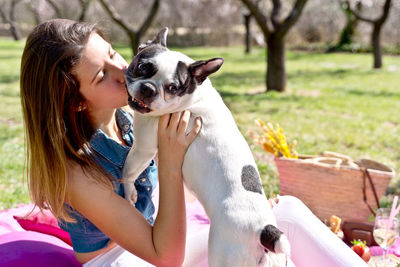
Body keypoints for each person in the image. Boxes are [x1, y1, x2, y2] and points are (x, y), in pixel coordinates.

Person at [20, 19, 368, 267]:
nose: (123, 70)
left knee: (283, 214)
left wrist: (245, 207)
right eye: (102, 75)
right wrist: (170, 164)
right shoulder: (75, 170)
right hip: (124, 260)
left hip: (156, 247)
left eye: (113, 53)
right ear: (77, 102)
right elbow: (165, 257)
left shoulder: (128, 116)